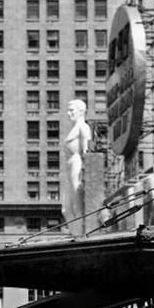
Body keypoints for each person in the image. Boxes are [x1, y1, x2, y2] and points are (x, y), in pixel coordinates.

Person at [63, 98, 93, 229]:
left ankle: (80, 229)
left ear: (81, 111)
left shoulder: (83, 127)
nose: (68, 113)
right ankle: (74, 230)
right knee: (66, 206)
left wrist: (87, 170)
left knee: (77, 200)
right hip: (68, 166)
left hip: (77, 164)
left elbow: (87, 149)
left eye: (71, 110)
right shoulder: (74, 128)